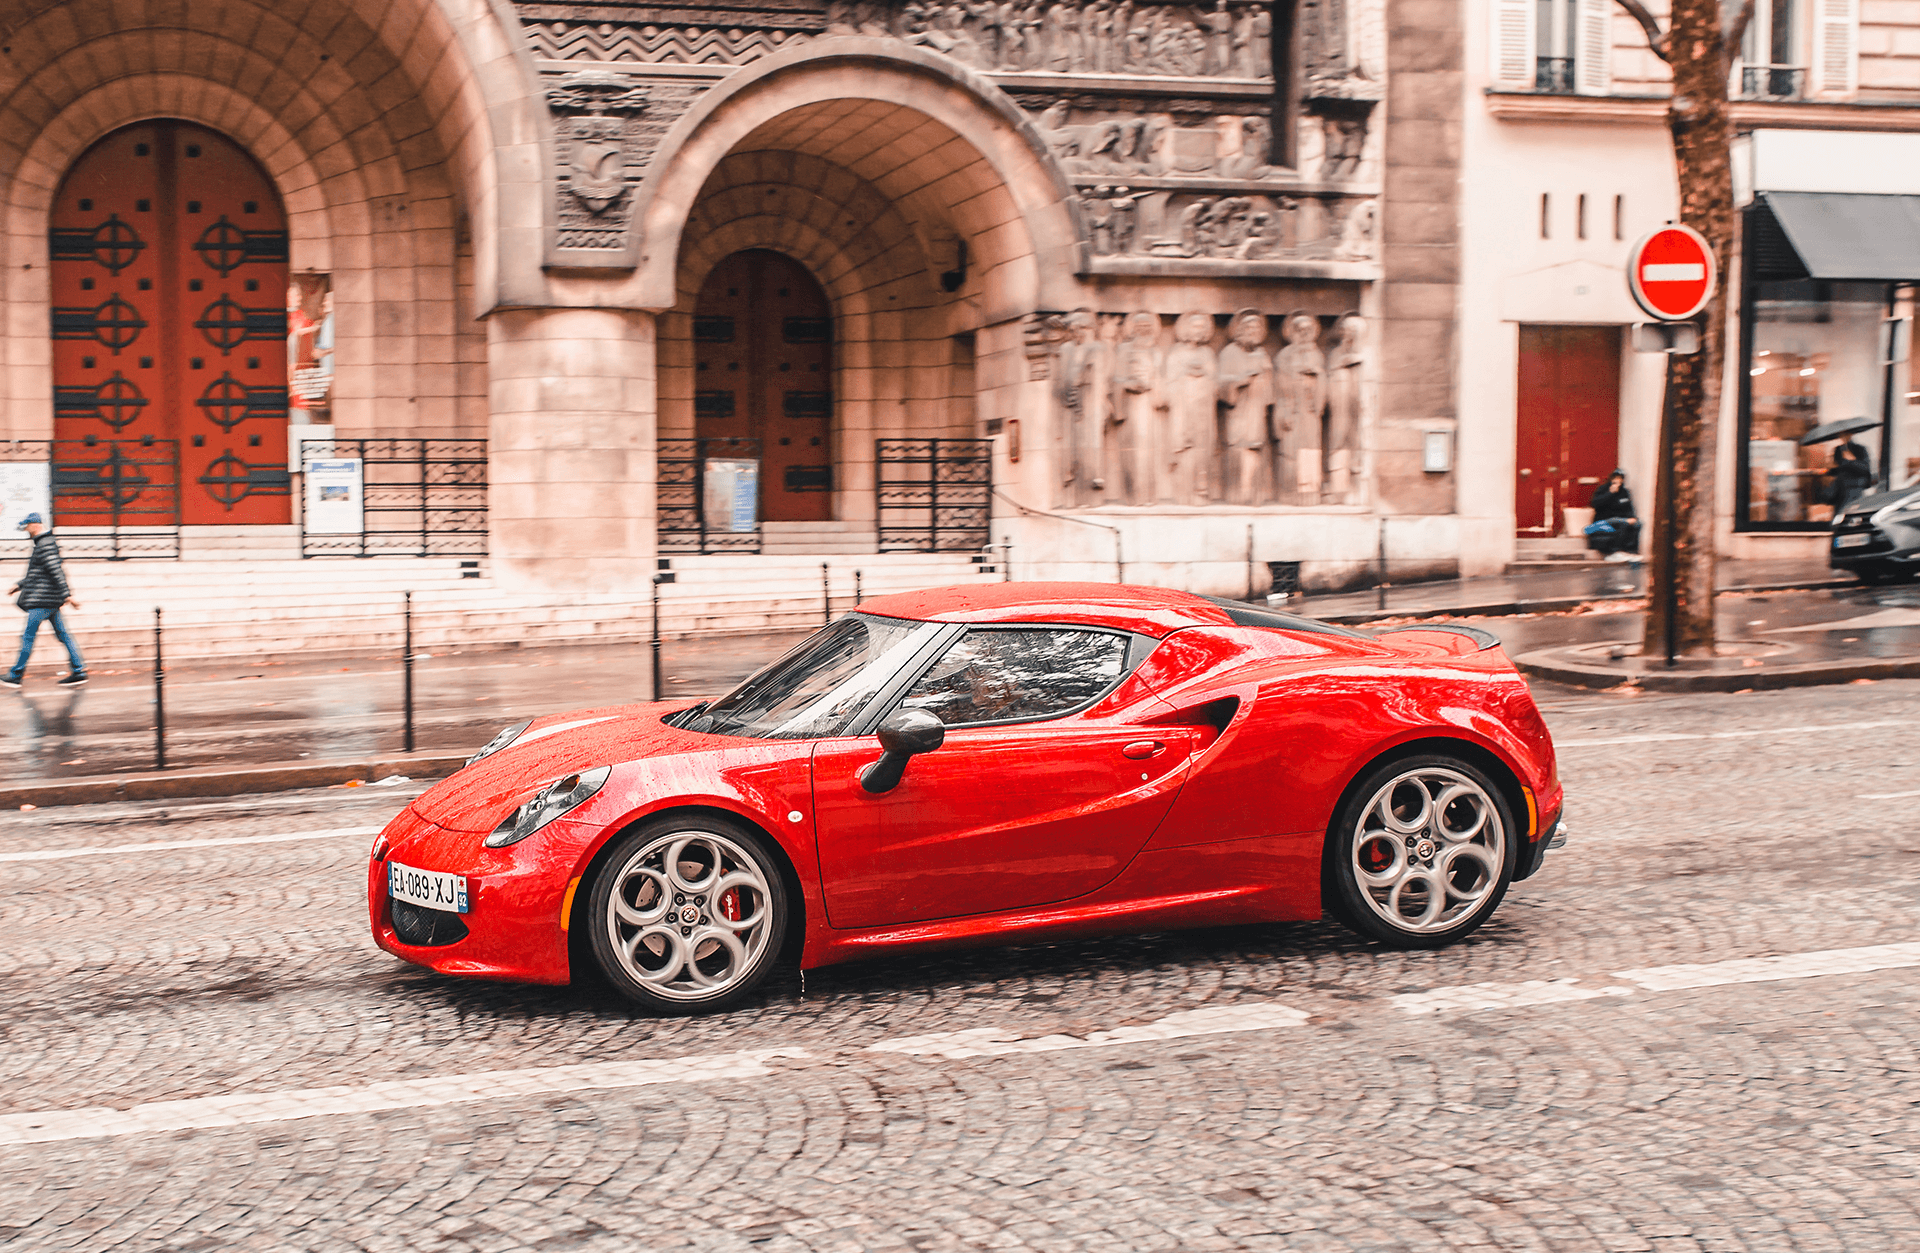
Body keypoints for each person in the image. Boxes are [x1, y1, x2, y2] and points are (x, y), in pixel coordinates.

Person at [4, 513, 86, 687]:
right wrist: (19, 585)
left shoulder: (44, 544)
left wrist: (68, 595)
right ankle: (79, 671)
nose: (26, 530)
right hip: (49, 600)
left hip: (41, 601)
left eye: (27, 526)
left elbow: (56, 571)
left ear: (35, 525)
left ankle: (16, 675)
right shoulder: (44, 544)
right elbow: (38, 574)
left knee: (27, 637)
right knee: (63, 635)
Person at [1584, 470, 1640, 562]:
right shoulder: (1603, 490)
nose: (1617, 481)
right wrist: (1610, 493)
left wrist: (1633, 517)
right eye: (1615, 478)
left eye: (1619, 478)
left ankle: (1631, 551)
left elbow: (1629, 507)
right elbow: (1595, 504)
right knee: (1621, 523)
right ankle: (1616, 551)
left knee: (1637, 524)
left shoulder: (1624, 492)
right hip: (1605, 520)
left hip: (1621, 519)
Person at [1830, 437, 1874, 509]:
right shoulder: (1839, 450)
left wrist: (1850, 460)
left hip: (1856, 487)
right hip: (1843, 488)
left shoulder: (1859, 449)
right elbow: (1838, 467)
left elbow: (1865, 468)